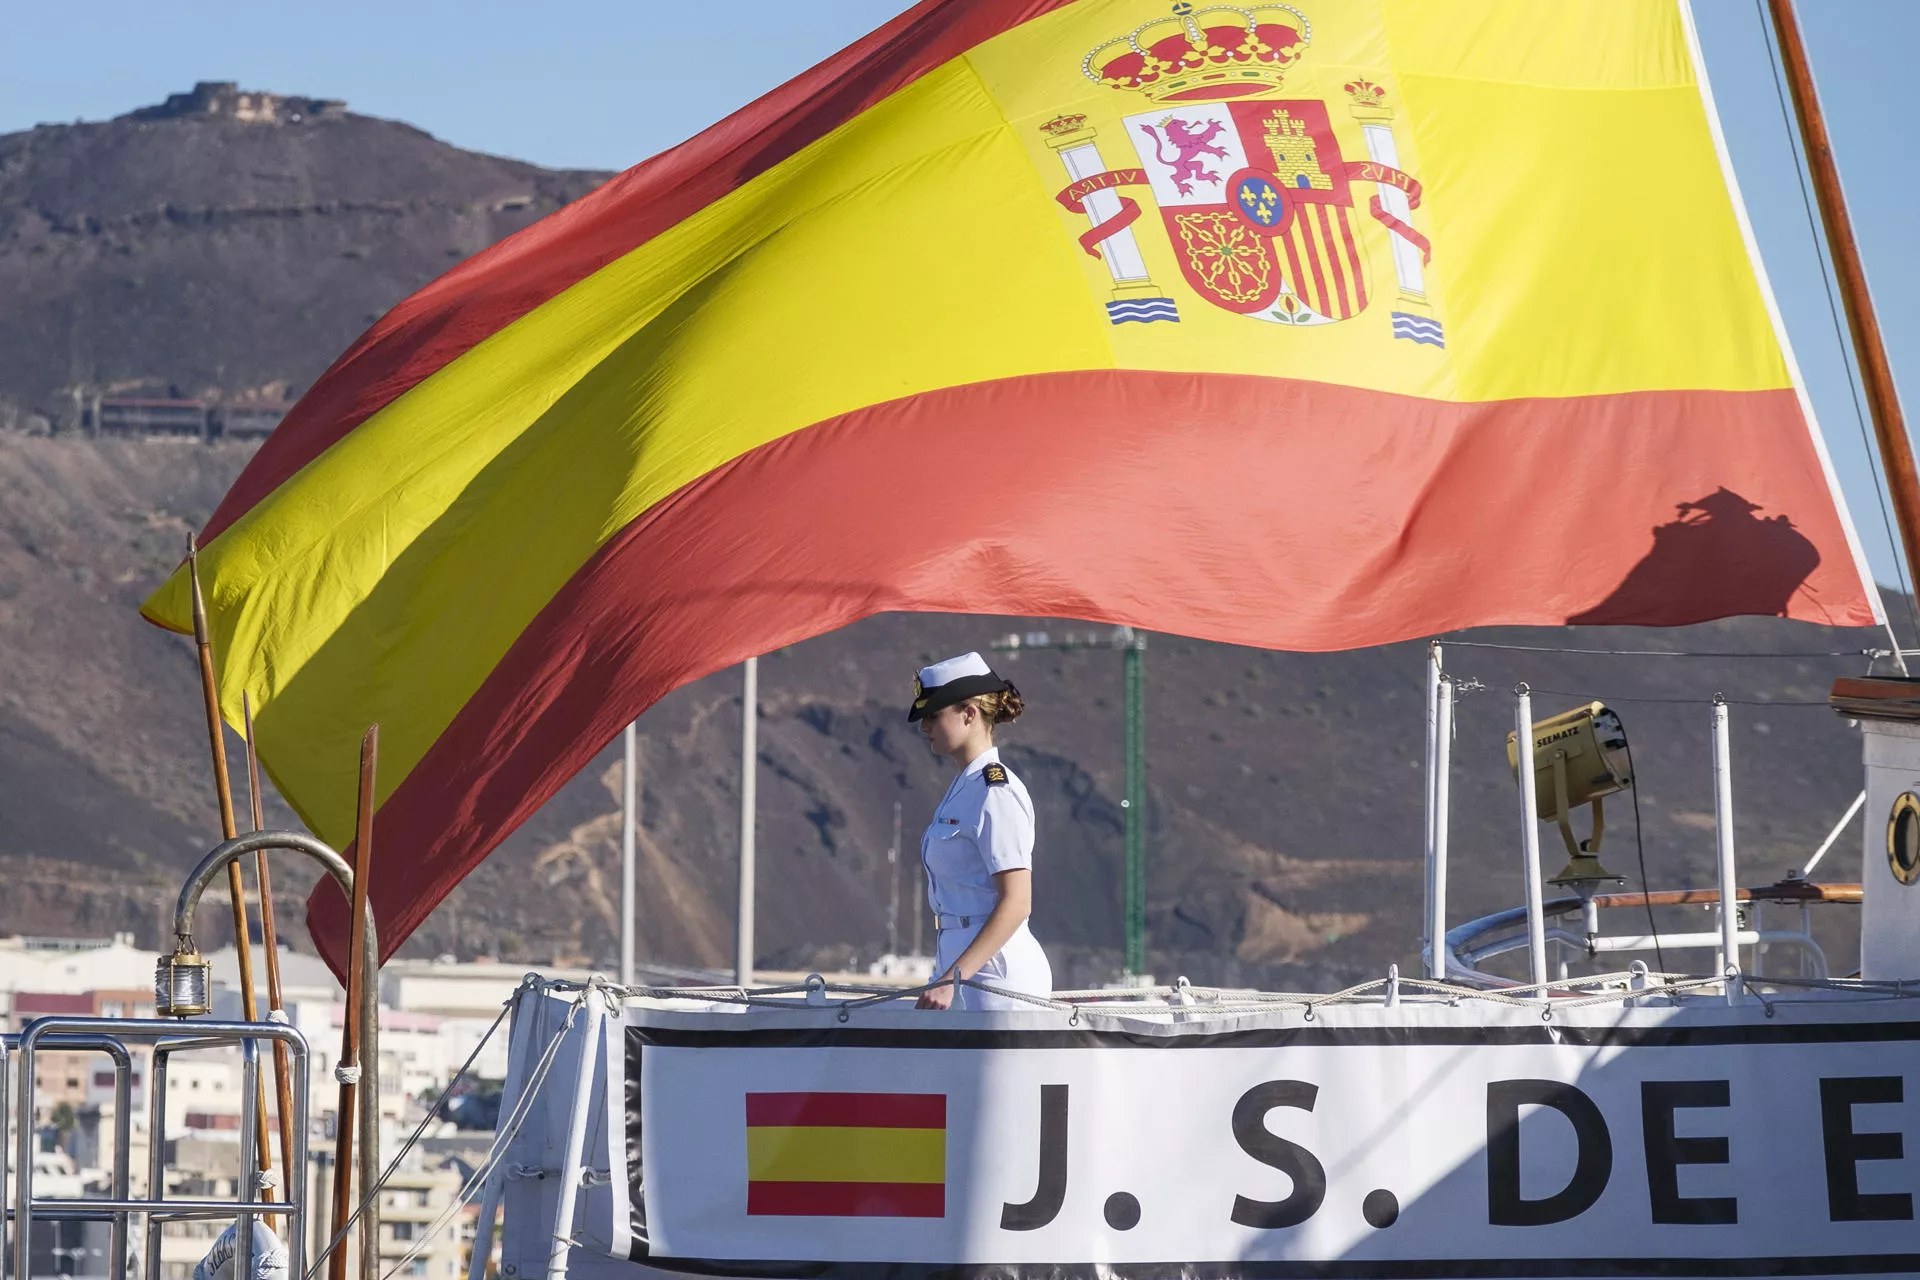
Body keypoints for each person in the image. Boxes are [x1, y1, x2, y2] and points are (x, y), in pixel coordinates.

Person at [908, 652, 1053, 1010]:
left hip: (995, 975)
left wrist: (952, 978)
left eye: (933, 715)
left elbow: (1017, 902)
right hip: (961, 965)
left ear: (969, 714)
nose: (924, 726)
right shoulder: (965, 788)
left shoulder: (995, 791)